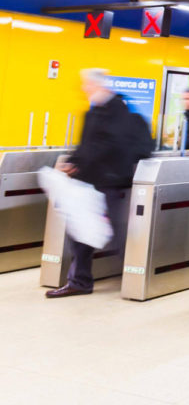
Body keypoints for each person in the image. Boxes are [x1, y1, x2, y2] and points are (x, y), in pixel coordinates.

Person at [46, 69, 137, 298]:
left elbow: (111, 145)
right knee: (80, 233)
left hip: (109, 181)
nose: (85, 89)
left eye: (88, 85)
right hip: (89, 181)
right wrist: (73, 161)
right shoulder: (93, 111)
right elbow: (86, 143)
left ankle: (136, 274)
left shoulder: (117, 111)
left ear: (99, 86)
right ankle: (80, 281)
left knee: (113, 233)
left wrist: (81, 162)